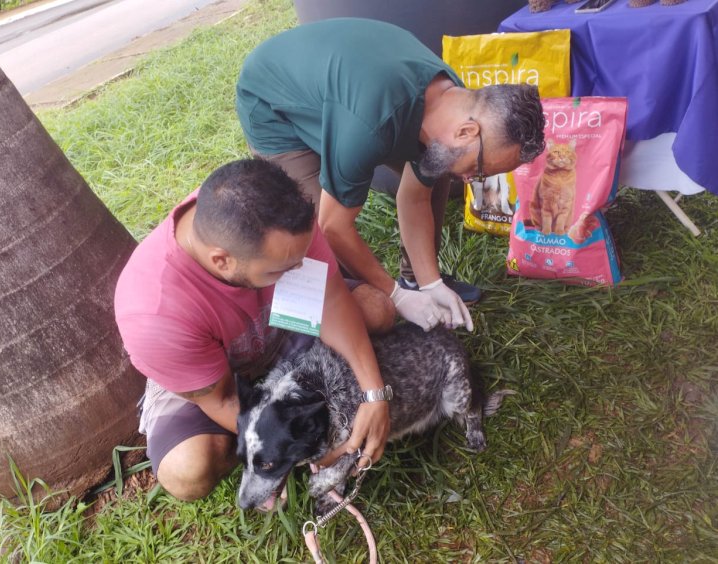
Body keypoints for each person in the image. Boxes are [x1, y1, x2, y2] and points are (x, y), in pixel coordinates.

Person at [236, 18, 546, 333]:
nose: (470, 179)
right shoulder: (371, 124)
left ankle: (416, 279)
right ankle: (336, 318)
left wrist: (430, 284)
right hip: (273, 102)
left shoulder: (453, 100)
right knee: (311, 235)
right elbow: (333, 226)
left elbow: (414, 197)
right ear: (467, 132)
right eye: (477, 168)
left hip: (339, 91)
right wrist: (392, 295)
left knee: (438, 170)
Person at [114, 159, 394, 501]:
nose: (301, 268)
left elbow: (330, 299)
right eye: (283, 269)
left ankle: (286, 391)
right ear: (222, 261)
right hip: (213, 375)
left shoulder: (279, 219)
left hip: (278, 323)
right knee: (187, 471)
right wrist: (282, 449)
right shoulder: (155, 315)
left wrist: (374, 393)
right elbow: (222, 399)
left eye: (300, 259)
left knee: (377, 311)